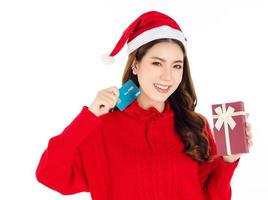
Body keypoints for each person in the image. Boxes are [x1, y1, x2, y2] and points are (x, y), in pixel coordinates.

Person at [35, 11, 253, 200]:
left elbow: (213, 196)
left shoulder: (196, 125)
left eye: (176, 65)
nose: (167, 76)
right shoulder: (100, 128)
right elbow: (48, 174)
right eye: (157, 63)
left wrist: (228, 160)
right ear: (136, 65)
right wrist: (88, 117)